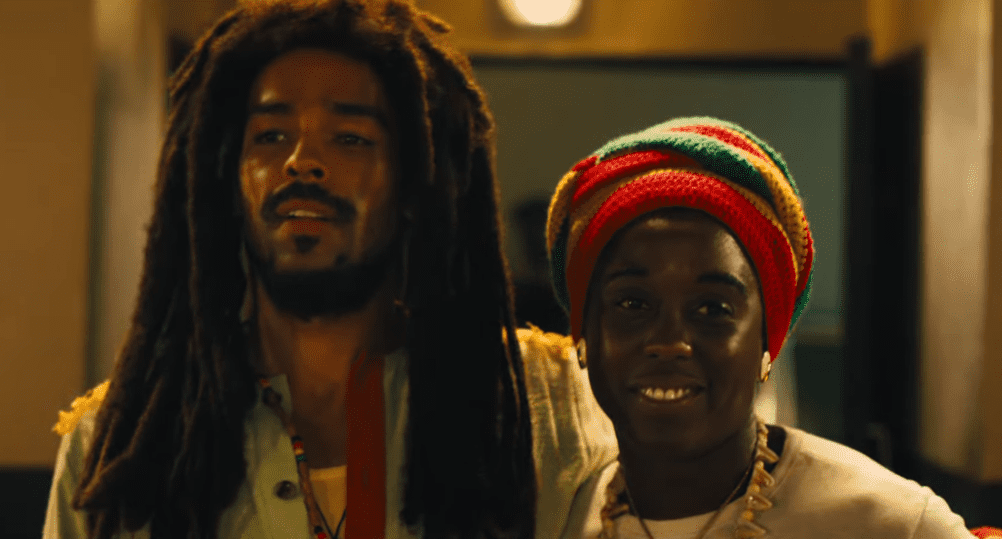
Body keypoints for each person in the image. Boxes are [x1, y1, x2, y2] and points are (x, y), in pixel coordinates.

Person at [43, 1, 615, 538]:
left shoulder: (544, 414)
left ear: (414, 183)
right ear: (228, 182)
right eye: (271, 135)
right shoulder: (118, 448)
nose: (302, 162)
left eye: (350, 138)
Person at [545, 117, 978, 538]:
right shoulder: (554, 515)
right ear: (583, 336)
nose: (670, 341)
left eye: (712, 308)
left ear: (767, 344)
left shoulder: (892, 522)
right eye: (632, 303)